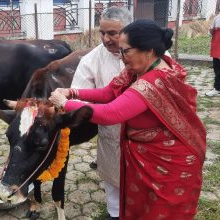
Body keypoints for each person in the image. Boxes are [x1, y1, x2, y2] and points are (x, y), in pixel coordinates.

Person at [49, 19, 206, 219]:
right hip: (147, 157)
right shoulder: (142, 69)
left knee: (159, 212)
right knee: (142, 208)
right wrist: (72, 92)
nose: (121, 57)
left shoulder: (152, 83)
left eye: (125, 51)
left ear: (148, 50)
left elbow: (110, 113)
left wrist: (64, 103)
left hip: (166, 164)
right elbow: (109, 93)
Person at [70, 6, 132, 220]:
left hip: (145, 135)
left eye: (112, 33)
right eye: (102, 33)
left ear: (128, 30)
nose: (106, 39)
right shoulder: (92, 59)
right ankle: (114, 213)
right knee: (113, 179)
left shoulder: (149, 52)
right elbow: (80, 98)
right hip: (112, 133)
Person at [205, 13, 220, 96]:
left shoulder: (217, 18)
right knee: (218, 70)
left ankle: (217, 89)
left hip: (218, 48)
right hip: (217, 48)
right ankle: (217, 88)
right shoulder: (217, 18)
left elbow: (211, 32)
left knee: (218, 70)